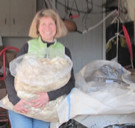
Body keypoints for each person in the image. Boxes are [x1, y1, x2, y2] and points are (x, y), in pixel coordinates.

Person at [5, 9, 75, 128]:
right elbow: (10, 76)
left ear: (57, 27)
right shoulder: (28, 47)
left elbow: (70, 82)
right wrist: (16, 101)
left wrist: (49, 96)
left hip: (46, 108)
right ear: (37, 27)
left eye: (51, 24)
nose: (47, 28)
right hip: (22, 105)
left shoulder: (63, 51)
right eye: (43, 24)